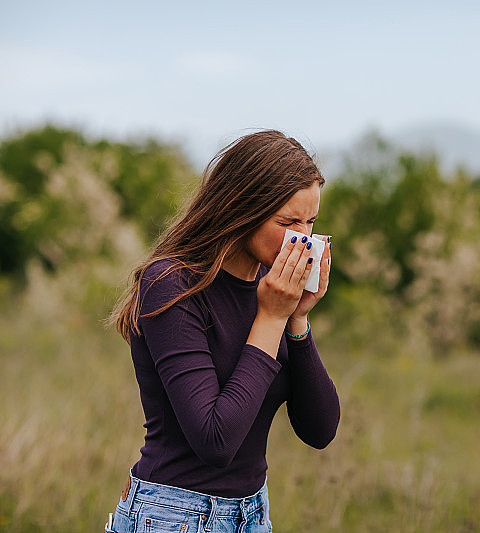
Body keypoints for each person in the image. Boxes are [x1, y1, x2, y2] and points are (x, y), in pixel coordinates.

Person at [107, 130, 340, 532]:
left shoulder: (273, 288)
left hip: (252, 514)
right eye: (288, 222)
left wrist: (297, 319)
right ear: (242, 209)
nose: (304, 239)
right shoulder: (172, 284)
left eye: (311, 221)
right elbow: (216, 440)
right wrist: (270, 318)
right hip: (173, 515)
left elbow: (320, 430)